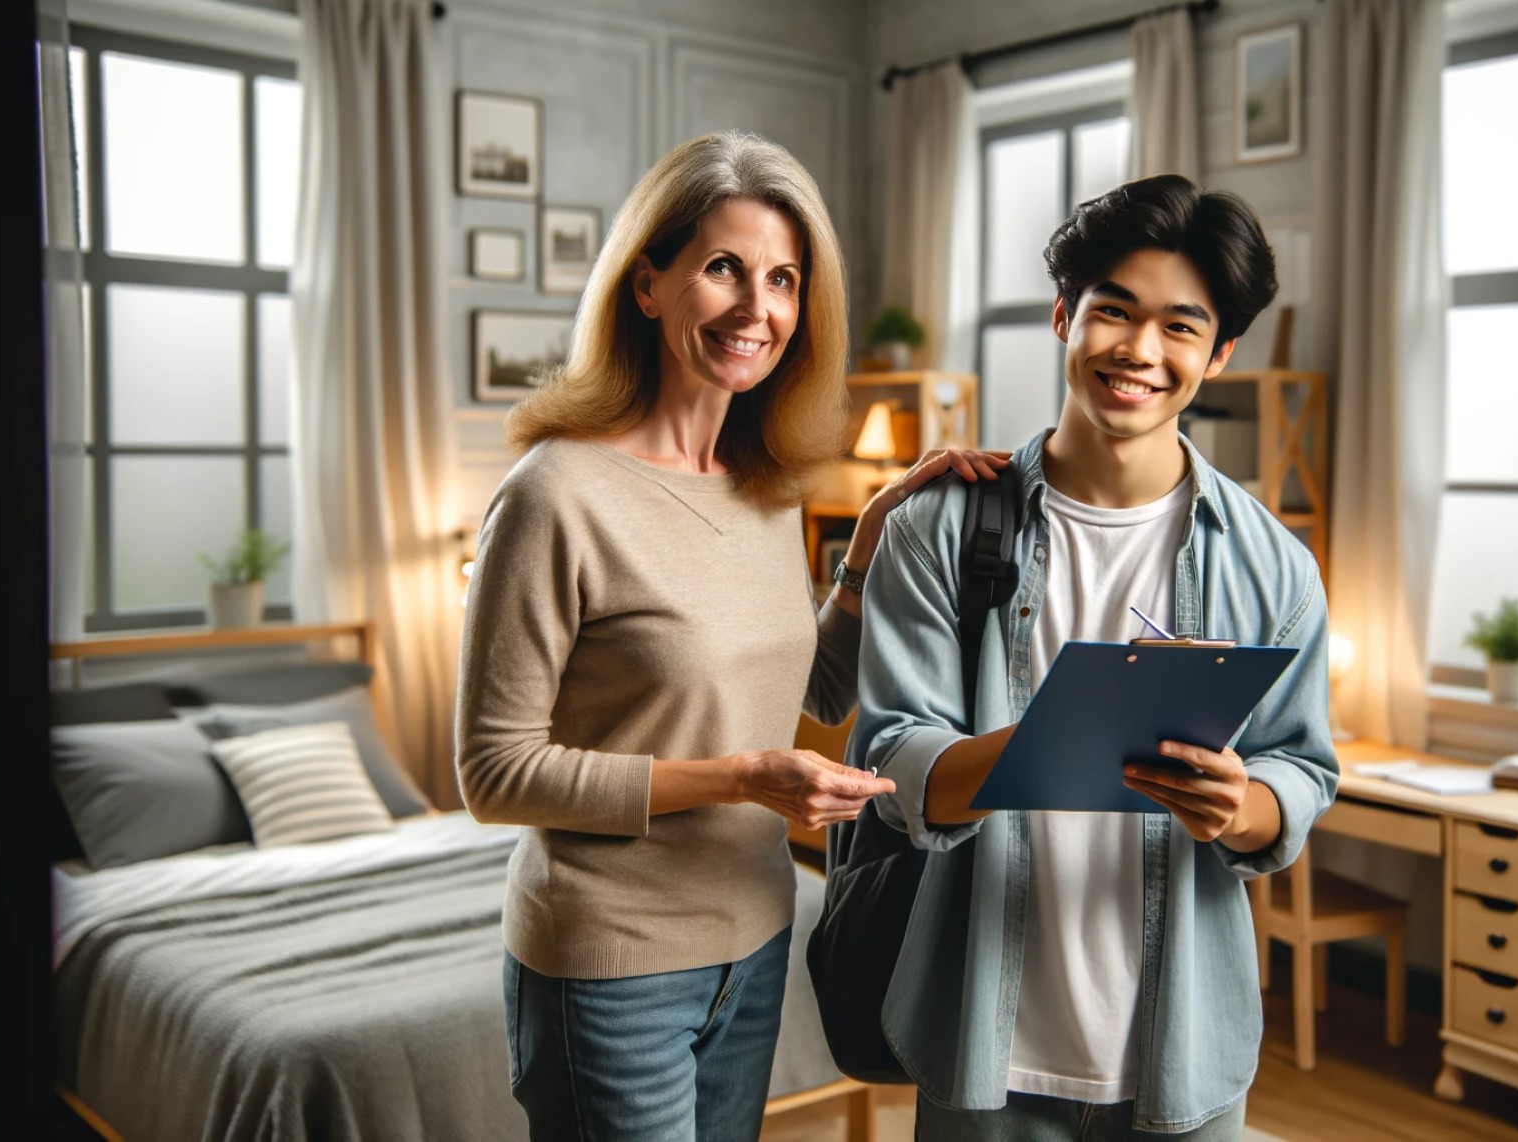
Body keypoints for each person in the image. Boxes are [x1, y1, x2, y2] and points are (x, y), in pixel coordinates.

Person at [455, 131, 1007, 1141]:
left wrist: (866, 547)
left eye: (783, 279)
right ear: (648, 283)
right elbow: (493, 772)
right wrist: (741, 779)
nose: (758, 309)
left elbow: (814, 693)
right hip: (607, 960)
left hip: (755, 941)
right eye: (723, 269)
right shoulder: (555, 494)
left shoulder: (762, 488)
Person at [848, 174, 1339, 1139]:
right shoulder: (938, 529)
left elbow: (1304, 767)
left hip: (1182, 1057)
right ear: (1065, 316)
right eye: (1113, 312)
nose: (1140, 353)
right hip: (977, 1043)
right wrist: (1050, 739)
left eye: (1181, 328)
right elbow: (889, 754)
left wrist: (1242, 805)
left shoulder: (1276, 566)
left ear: (1220, 353)